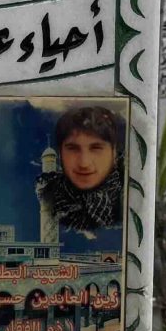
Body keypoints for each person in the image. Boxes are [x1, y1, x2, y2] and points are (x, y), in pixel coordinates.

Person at [38, 103, 125, 251]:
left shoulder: (121, 199)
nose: (84, 163)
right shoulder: (57, 195)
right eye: (73, 148)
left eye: (96, 148)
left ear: (114, 153)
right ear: (61, 156)